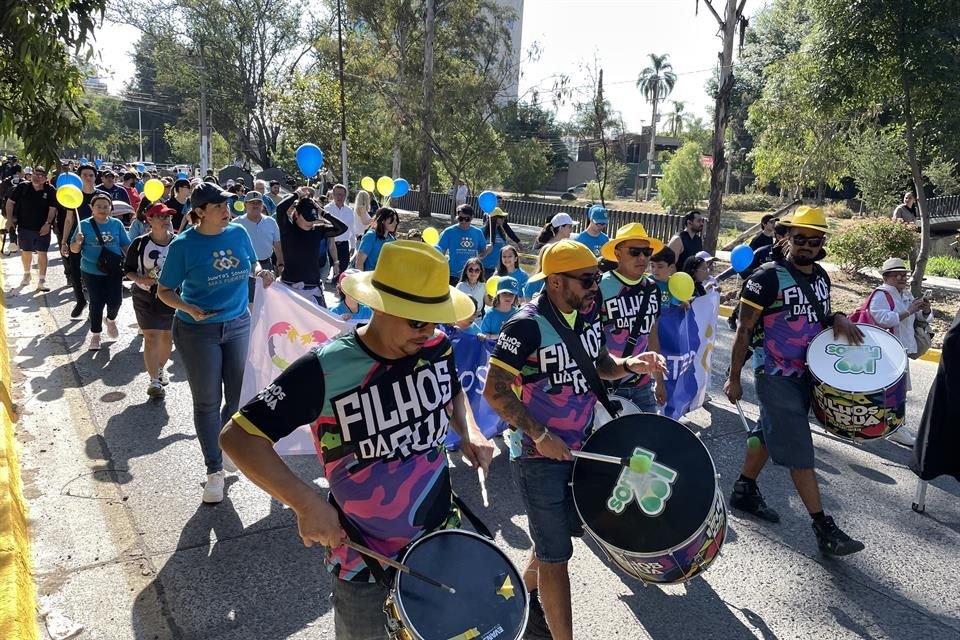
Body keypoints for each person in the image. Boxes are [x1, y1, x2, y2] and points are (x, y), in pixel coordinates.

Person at [219, 241, 494, 638]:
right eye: (418, 322)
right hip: (363, 559)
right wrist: (306, 503)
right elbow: (239, 438)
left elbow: (452, 390)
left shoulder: (435, 347)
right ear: (380, 305)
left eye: (436, 321)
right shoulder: (325, 367)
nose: (429, 332)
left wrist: (471, 430)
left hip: (440, 538)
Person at [483, 240, 666, 640]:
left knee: (553, 541)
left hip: (580, 449)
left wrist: (630, 364)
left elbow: (599, 365)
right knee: (556, 556)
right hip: (536, 455)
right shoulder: (525, 326)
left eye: (596, 278)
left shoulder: (584, 316)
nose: (594, 287)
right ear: (554, 282)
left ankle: (520, 604)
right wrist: (540, 434)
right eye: (586, 280)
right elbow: (494, 391)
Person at [724, 206, 867, 556]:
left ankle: (744, 489)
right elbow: (743, 330)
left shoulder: (820, 276)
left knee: (768, 434)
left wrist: (836, 316)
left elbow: (816, 315)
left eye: (814, 240)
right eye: (800, 238)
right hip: (774, 373)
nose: (806, 246)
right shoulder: (765, 278)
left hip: (806, 374)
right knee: (800, 448)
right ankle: (823, 527)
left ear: (821, 244)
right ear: (786, 237)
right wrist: (733, 378)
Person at [156, 183, 277, 504]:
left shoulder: (237, 234)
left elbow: (251, 263)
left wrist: (261, 271)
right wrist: (188, 307)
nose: (227, 211)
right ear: (199, 213)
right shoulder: (184, 245)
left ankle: (224, 448)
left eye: (227, 205)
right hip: (198, 331)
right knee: (208, 402)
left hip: (238, 325)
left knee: (238, 398)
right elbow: (164, 291)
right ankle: (214, 471)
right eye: (218, 207)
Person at [599, 223, 666, 413]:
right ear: (618, 254)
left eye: (647, 252)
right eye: (635, 252)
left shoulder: (652, 288)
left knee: (647, 441)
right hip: (604, 385)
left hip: (642, 385)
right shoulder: (599, 288)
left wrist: (659, 380)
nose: (642, 258)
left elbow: (652, 334)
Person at [866, 257, 933, 447]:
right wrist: (911, 310)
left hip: (900, 348)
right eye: (897, 275)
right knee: (894, 389)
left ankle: (891, 425)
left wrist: (924, 309)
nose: (902, 278)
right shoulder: (882, 294)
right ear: (886, 277)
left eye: (904, 274)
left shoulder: (904, 293)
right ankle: (894, 428)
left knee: (896, 388)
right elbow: (882, 319)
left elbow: (916, 316)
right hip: (886, 350)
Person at [124, 203, 176, 397]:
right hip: (145, 295)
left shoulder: (178, 242)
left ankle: (161, 368)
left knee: (166, 337)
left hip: (171, 295)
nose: (166, 220)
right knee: (151, 336)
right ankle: (154, 381)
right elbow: (127, 269)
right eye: (161, 217)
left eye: (168, 217)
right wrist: (140, 279)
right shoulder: (139, 243)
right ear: (149, 219)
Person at [70, 193, 131, 351]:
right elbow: (74, 250)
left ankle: (110, 320)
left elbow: (125, 245)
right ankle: (95, 335)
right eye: (99, 206)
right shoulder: (83, 225)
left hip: (114, 268)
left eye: (106, 206)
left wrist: (134, 262)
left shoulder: (116, 224)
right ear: (91, 208)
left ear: (111, 208)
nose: (102, 209)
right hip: (91, 270)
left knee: (115, 301)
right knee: (96, 303)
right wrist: (77, 242)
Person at [276, 193, 347, 308]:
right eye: (306, 216)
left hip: (312, 286)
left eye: (313, 217)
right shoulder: (287, 229)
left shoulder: (318, 230)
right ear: (297, 214)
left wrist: (321, 211)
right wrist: (297, 194)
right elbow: (280, 209)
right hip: (289, 285)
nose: (310, 221)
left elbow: (342, 228)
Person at [61, 163, 110, 318]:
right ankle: (80, 301)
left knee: (95, 274)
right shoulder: (74, 195)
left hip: (95, 240)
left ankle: (95, 307)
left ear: (95, 177)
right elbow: (69, 220)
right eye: (84, 175)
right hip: (77, 239)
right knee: (75, 272)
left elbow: (109, 218)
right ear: (79, 177)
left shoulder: (102, 196)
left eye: (91, 175)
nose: (88, 178)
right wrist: (64, 241)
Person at [5, 165, 56, 291]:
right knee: (26, 252)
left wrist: (48, 223)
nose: (37, 177)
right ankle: (27, 274)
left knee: (42, 253)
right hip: (24, 226)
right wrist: (10, 219)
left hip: (42, 227)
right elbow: (10, 203)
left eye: (40, 175)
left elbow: (52, 208)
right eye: (35, 174)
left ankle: (42, 280)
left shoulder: (49, 190)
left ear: (45, 178)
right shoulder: (23, 187)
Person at [234, 191, 284, 303]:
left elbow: (277, 245)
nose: (255, 205)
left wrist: (280, 264)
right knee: (247, 301)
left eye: (258, 203)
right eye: (252, 203)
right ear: (245, 204)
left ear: (262, 205)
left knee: (266, 301)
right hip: (244, 267)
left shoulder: (270, 222)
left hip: (266, 265)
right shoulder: (237, 223)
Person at [437, 204, 491, 285]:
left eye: (467, 219)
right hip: (453, 275)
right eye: (460, 218)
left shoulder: (477, 232)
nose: (463, 221)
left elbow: (481, 254)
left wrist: (488, 250)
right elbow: (440, 253)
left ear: (472, 217)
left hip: (471, 275)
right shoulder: (448, 232)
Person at [324, 183, 358, 278]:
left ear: (345, 195)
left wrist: (353, 245)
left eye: (342, 194)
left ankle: (337, 287)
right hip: (330, 244)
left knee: (342, 270)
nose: (340, 197)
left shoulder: (349, 211)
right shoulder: (327, 209)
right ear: (333, 195)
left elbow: (352, 229)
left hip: (343, 244)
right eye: (337, 194)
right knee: (325, 270)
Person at [480, 208, 521, 279]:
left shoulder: (501, 232)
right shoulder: (481, 231)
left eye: (504, 217)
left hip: (499, 269)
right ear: (494, 218)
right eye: (501, 217)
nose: (503, 219)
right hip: (484, 269)